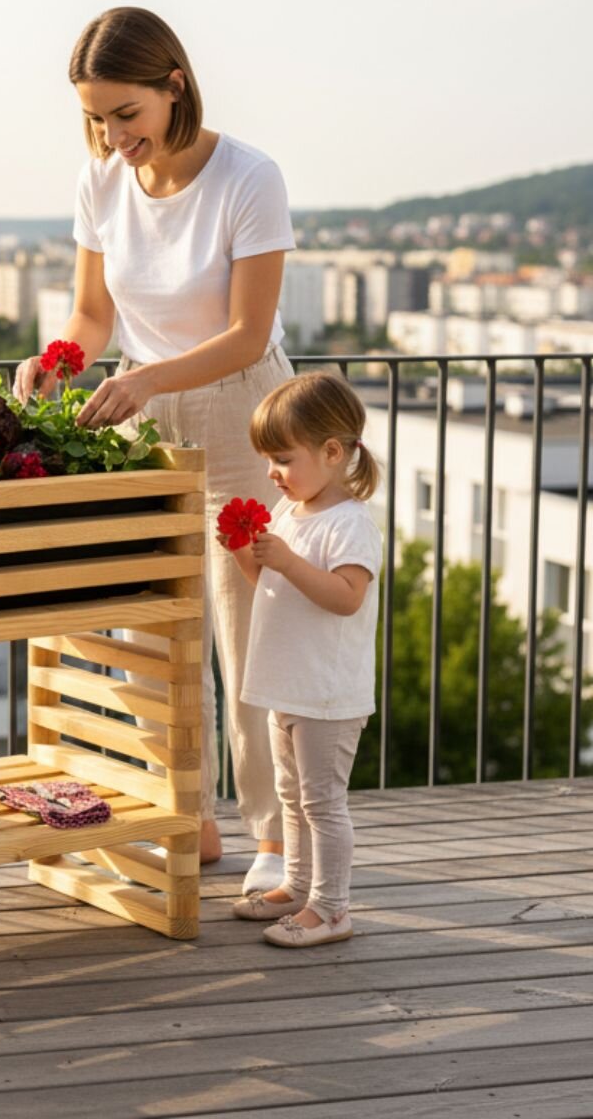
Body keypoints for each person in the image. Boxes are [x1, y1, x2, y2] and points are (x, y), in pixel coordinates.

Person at [14, 6, 295, 889]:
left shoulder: (250, 177)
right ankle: (189, 819)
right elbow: (94, 316)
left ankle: (278, 843)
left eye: (125, 114)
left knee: (250, 643)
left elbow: (249, 335)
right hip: (144, 424)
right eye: (95, 118)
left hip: (245, 418)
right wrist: (57, 361)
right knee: (147, 636)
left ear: (174, 84)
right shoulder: (100, 180)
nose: (112, 136)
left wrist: (148, 378)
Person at [227, 372, 382, 946]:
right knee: (290, 796)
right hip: (288, 685)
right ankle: (296, 885)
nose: (272, 471)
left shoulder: (351, 524)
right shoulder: (291, 511)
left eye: (282, 458)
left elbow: (346, 598)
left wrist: (288, 561)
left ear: (333, 452)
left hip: (326, 693)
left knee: (322, 801)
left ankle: (332, 908)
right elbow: (266, 582)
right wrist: (248, 551)